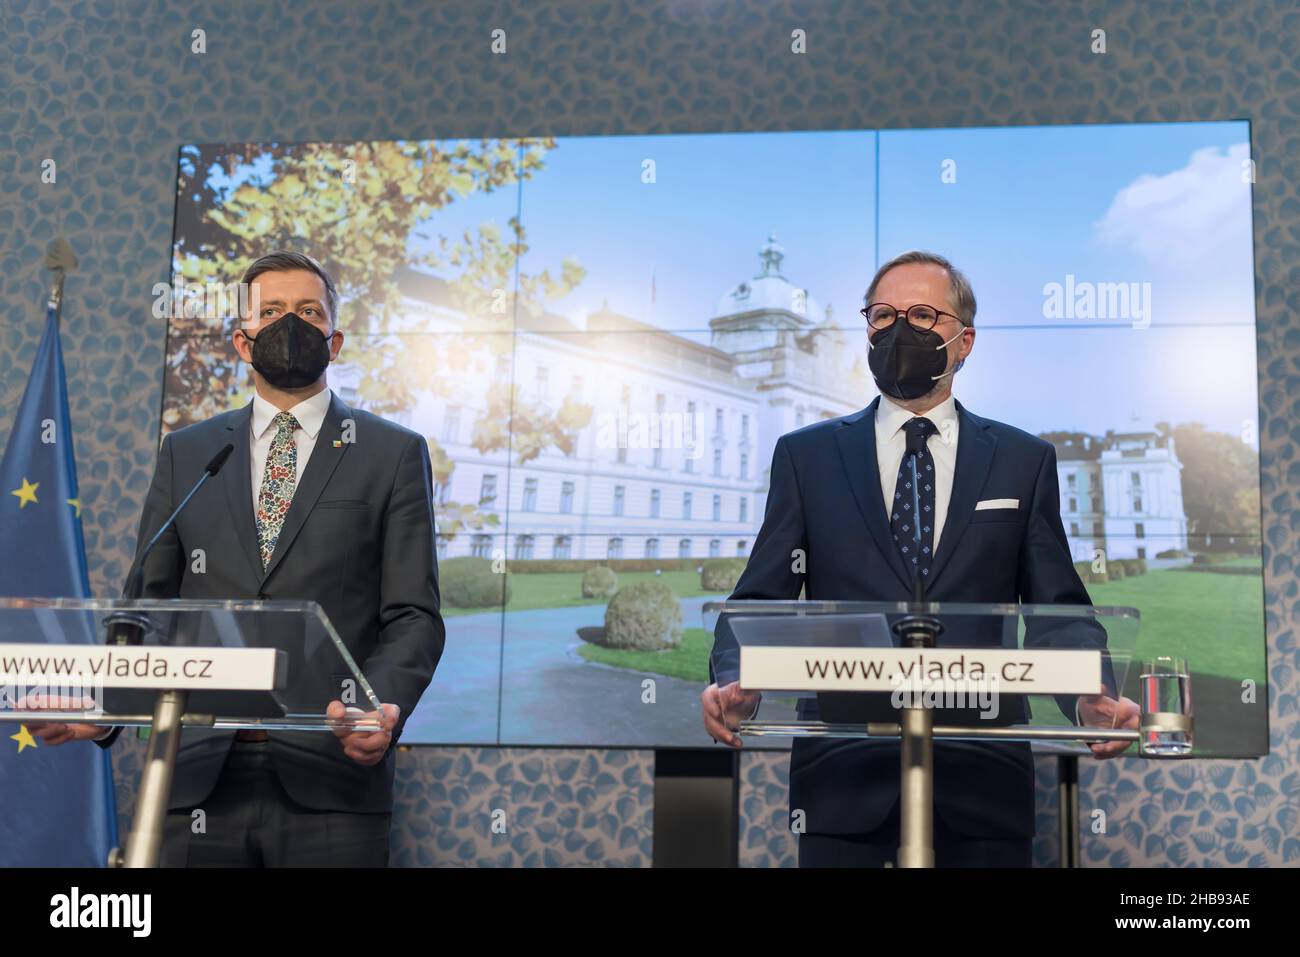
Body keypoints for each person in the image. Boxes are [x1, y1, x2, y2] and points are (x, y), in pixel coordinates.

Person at [701, 250, 1140, 867]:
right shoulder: (806, 457)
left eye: (923, 315)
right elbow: (760, 597)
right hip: (843, 778)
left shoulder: (1022, 460)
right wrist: (733, 678)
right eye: (883, 315)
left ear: (964, 342)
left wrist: (1091, 693)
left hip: (983, 783)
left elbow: (1057, 610)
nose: (898, 330)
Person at [29, 250, 445, 866]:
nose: (290, 324)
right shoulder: (188, 453)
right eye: (271, 311)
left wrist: (374, 707)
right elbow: (148, 608)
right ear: (242, 342)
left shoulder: (392, 453)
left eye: (308, 311)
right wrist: (103, 707)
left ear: (334, 341)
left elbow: (412, 614)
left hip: (332, 776)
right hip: (193, 770)